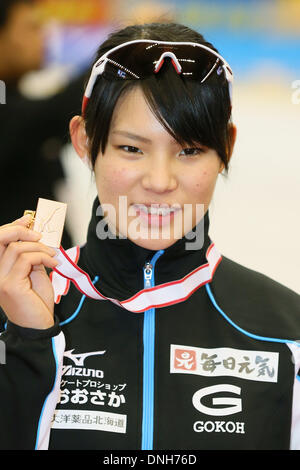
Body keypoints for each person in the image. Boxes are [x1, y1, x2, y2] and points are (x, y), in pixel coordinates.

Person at [0, 21, 299, 451]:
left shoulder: (287, 334)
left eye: (189, 151)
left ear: (226, 149)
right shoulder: (11, 311)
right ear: (84, 141)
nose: (160, 181)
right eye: (131, 149)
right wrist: (27, 343)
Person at [0, 0, 85, 248]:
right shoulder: (15, 113)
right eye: (31, 28)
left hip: (45, 265)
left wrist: (60, 267)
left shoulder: (17, 98)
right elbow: (51, 113)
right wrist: (117, 52)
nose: (44, 37)